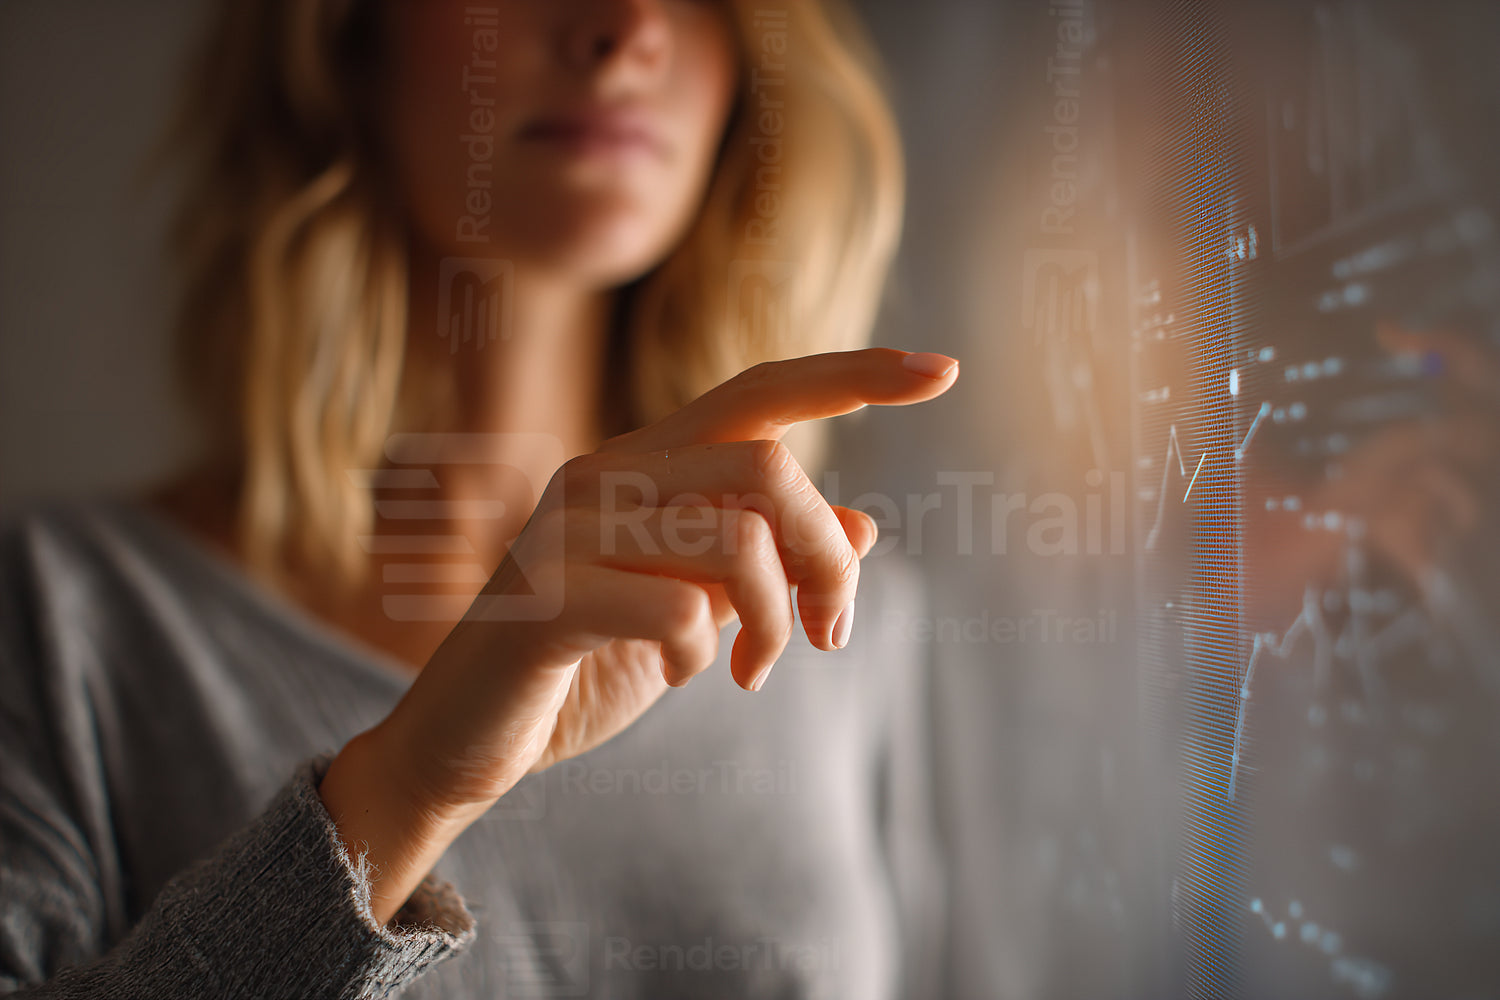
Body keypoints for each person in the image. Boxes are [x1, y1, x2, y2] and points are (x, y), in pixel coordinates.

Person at [0, 1, 957, 996]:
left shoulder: (848, 625)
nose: (625, 27)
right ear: (343, 41)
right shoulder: (58, 616)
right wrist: (407, 787)